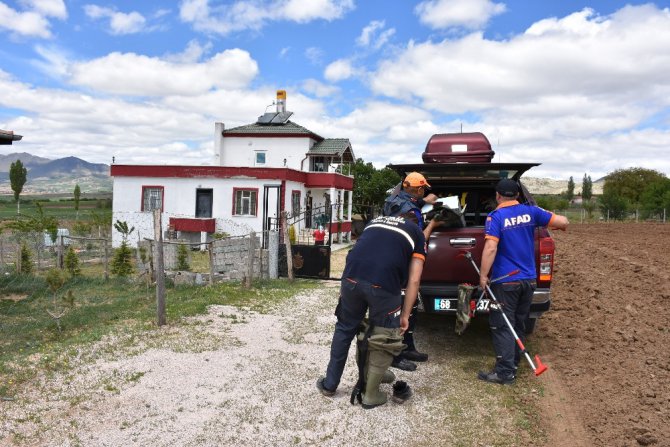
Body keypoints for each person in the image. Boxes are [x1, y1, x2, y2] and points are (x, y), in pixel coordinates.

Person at [316, 213, 427, 408]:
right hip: (384, 285)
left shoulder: (375, 221)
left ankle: (330, 384)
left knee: (344, 329)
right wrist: (405, 314)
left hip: (350, 277)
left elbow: (359, 251)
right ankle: (370, 395)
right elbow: (414, 280)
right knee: (383, 336)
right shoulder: (417, 232)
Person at [477, 178, 569, 385]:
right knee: (517, 322)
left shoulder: (496, 217)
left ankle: (505, 373)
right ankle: (514, 363)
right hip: (528, 280)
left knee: (502, 325)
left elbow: (491, 248)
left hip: (506, 281)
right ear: (517, 195)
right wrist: (558, 226)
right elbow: (563, 222)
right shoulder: (533, 212)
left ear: (498, 196)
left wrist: (483, 276)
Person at [383, 172, 441, 371]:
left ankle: (408, 347)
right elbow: (417, 239)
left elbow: (406, 202)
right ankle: (395, 355)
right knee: (400, 306)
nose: (425, 191)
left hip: (391, 258)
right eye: (423, 188)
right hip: (401, 262)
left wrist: (423, 201)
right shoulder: (409, 212)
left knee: (412, 304)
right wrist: (433, 224)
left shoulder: (393, 200)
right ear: (417, 189)